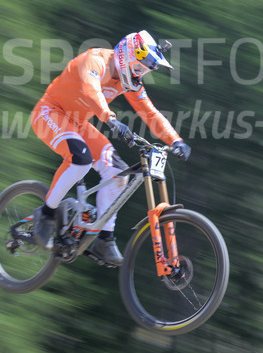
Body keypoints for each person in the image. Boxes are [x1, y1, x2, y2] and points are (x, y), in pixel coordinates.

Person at [30, 30, 191, 266]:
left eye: (145, 71)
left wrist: (175, 140)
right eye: (140, 67)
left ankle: (104, 238)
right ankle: (46, 214)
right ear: (126, 56)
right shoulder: (95, 60)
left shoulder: (129, 82)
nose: (140, 74)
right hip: (51, 112)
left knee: (118, 173)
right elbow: (91, 88)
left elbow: (150, 113)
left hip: (78, 123)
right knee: (80, 159)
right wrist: (110, 118)